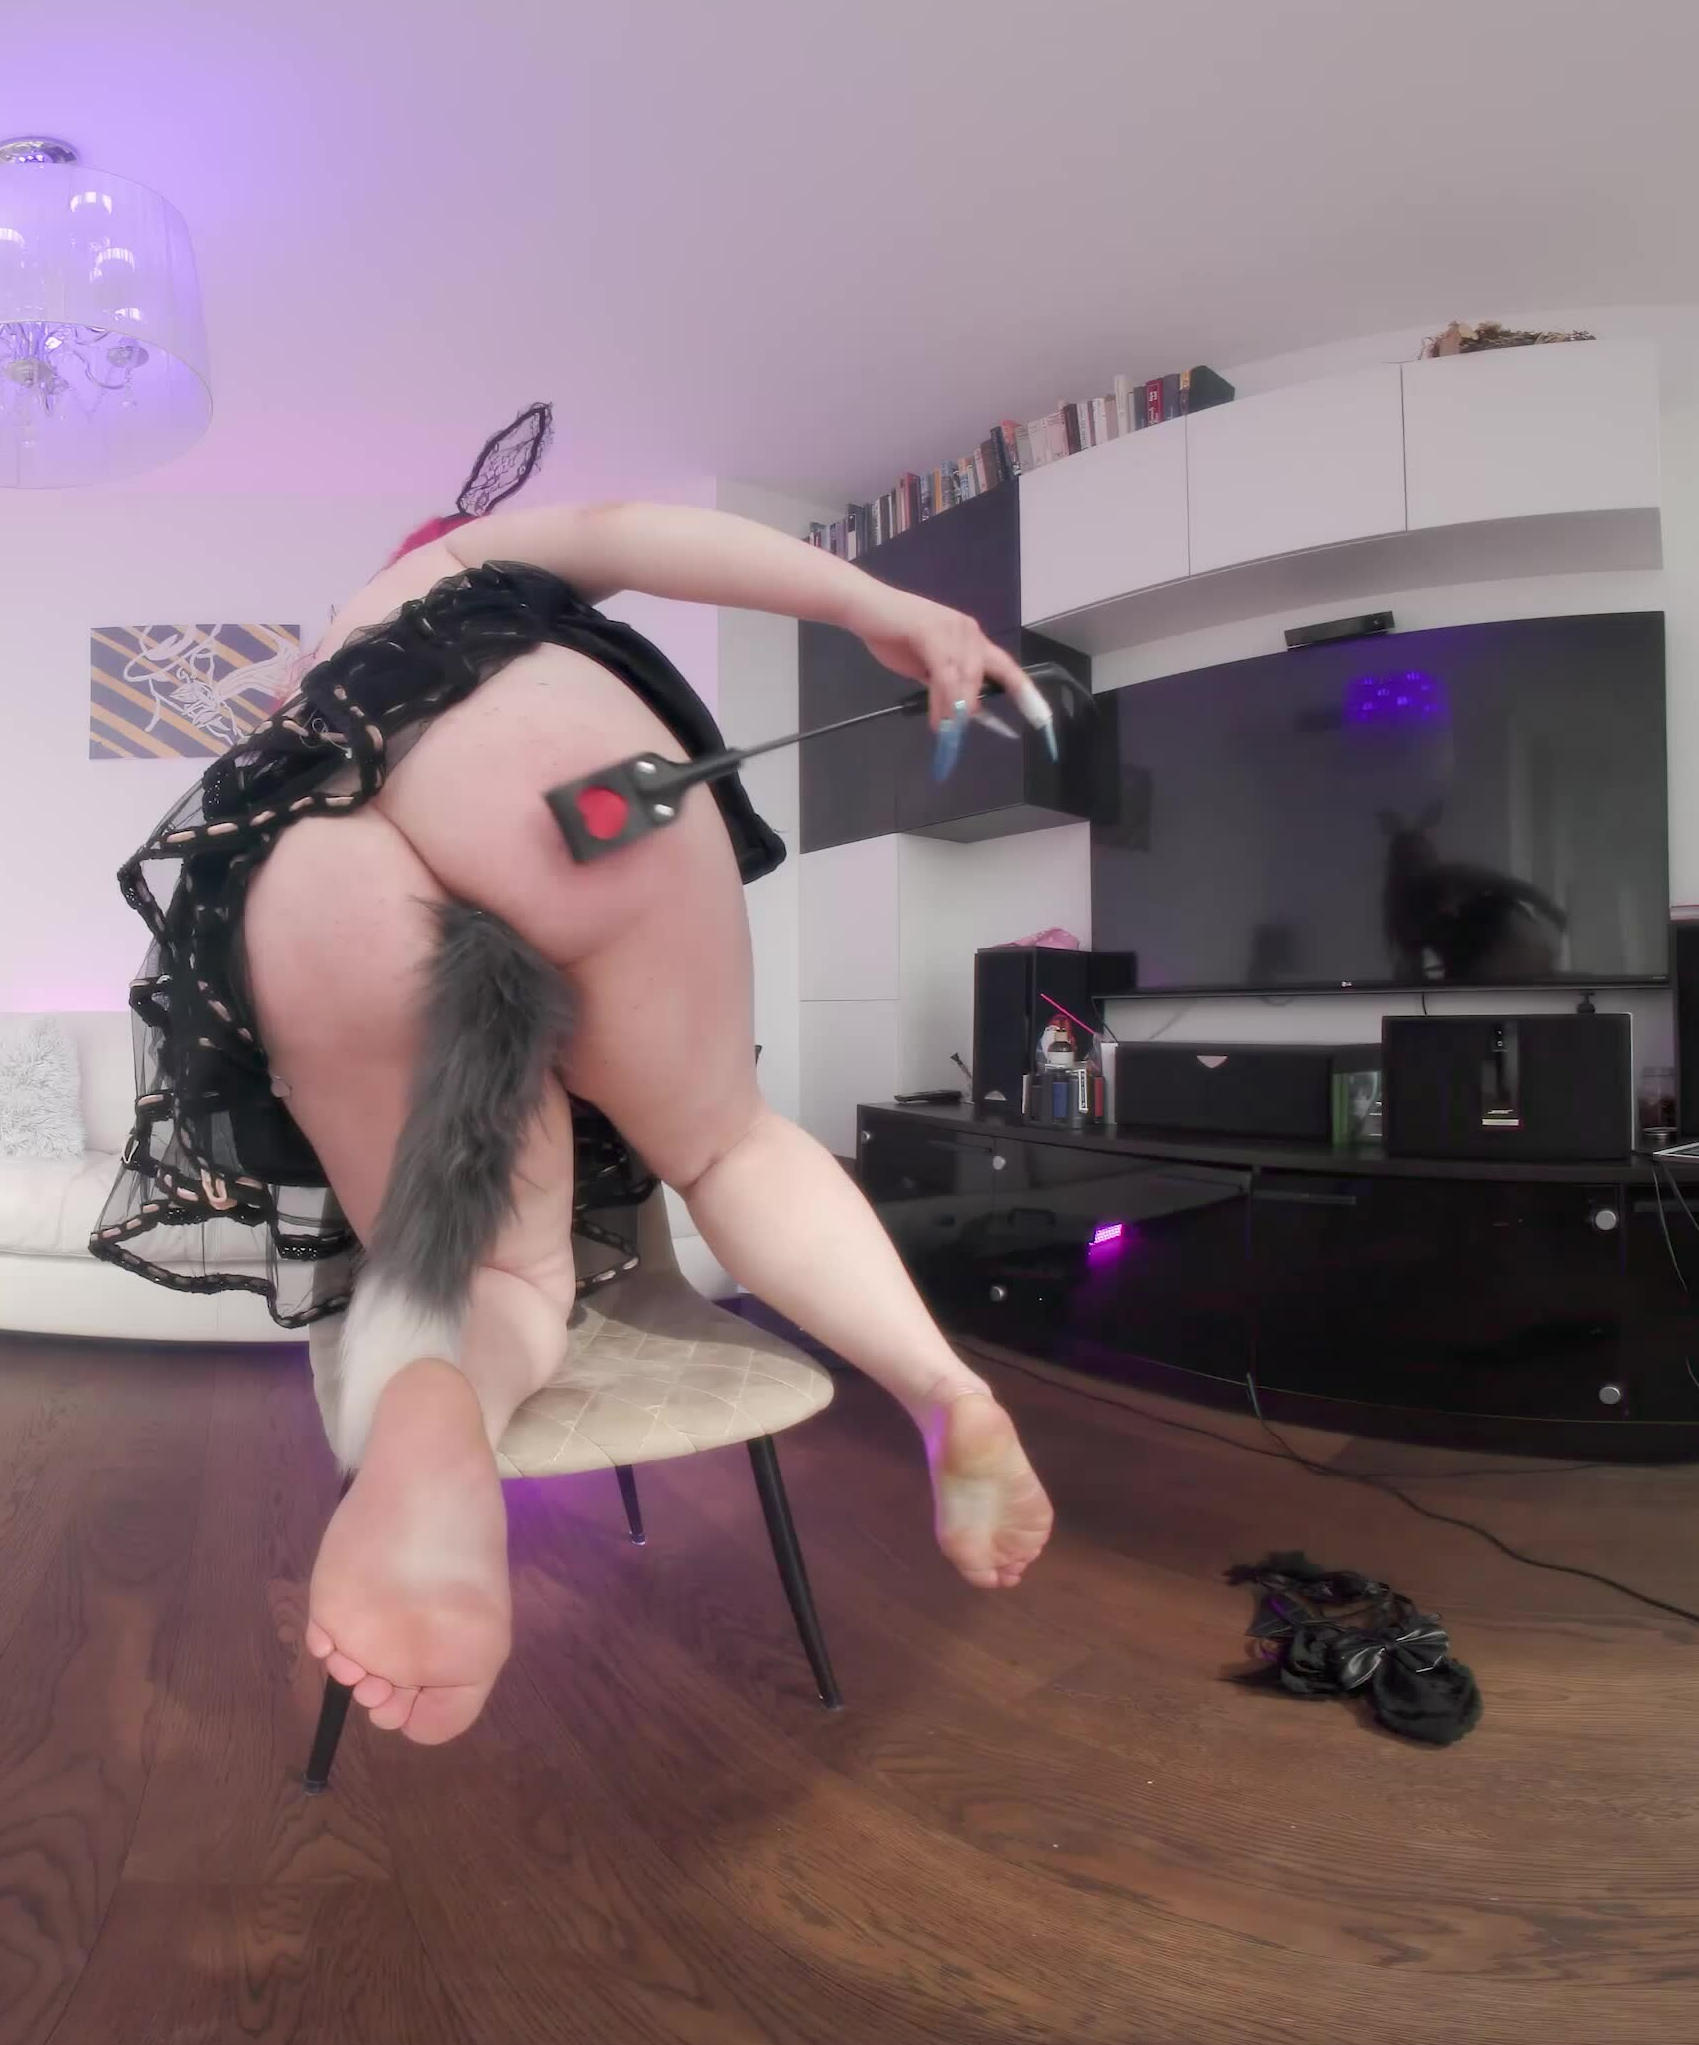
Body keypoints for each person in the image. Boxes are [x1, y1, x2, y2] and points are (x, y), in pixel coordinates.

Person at [94, 407, 1061, 1747]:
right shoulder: (459, 569)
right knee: (723, 1146)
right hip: (546, 775)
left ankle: (434, 1434)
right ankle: (944, 1394)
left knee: (483, 1270)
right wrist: (878, 604)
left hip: (303, 859)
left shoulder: (328, 671)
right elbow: (629, 534)